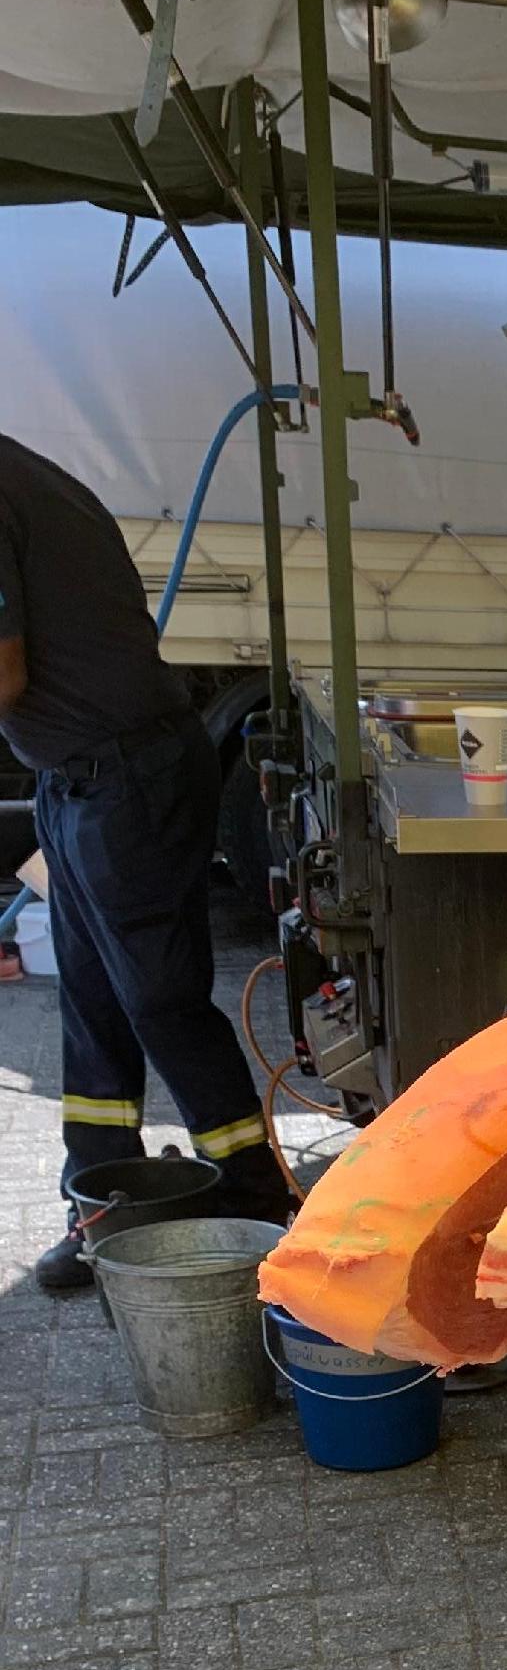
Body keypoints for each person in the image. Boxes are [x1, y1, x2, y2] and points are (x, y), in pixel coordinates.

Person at [0, 432, 292, 1285]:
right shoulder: (29, 472)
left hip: (125, 774)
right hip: (82, 775)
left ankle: (253, 1197)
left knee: (157, 1000)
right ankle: (103, 1199)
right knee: (93, 1002)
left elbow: (4, 676)